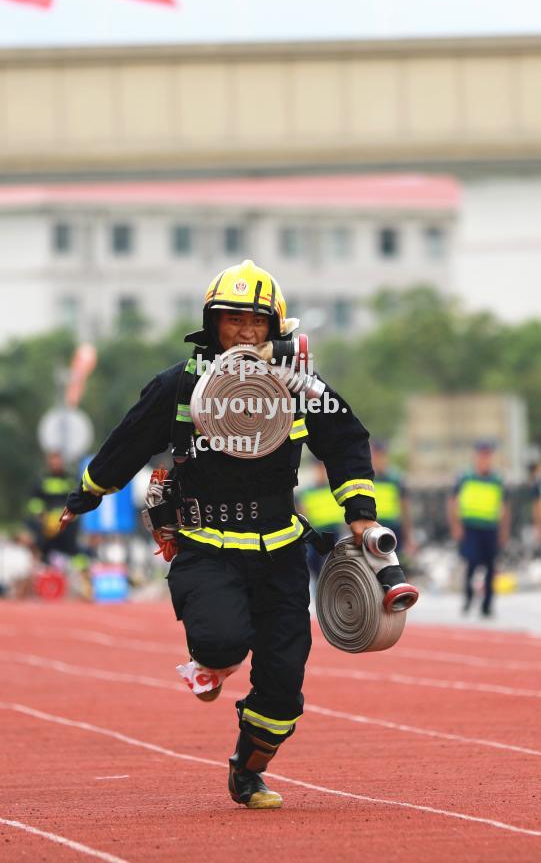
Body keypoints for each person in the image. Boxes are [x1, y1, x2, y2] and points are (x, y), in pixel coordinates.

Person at [61, 259, 378, 810]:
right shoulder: (180, 384)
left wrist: (362, 513)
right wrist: (88, 491)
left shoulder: (302, 386)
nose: (246, 333)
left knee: (283, 692)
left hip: (280, 553)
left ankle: (247, 771)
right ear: (211, 325)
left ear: (276, 328)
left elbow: (346, 441)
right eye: (233, 321)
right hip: (205, 546)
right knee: (220, 641)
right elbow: (128, 440)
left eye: (257, 322)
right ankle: (210, 661)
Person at [447, 440, 511, 617]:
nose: (485, 459)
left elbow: (505, 507)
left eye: (488, 455)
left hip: (490, 528)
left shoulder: (497, 479)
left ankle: (487, 605)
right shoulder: (465, 477)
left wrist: (504, 531)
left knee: (491, 567)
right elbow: (452, 502)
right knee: (471, 564)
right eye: (482, 455)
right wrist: (456, 525)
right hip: (470, 528)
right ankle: (468, 599)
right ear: (476, 457)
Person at [25, 450, 79, 562]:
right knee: (42, 545)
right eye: (53, 460)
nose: (55, 463)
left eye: (58, 460)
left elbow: (77, 498)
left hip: (65, 521)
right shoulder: (41, 479)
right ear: (48, 462)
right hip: (46, 523)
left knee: (71, 547)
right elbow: (34, 501)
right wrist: (41, 515)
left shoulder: (70, 478)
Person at [297, 460, 346, 580]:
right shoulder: (307, 492)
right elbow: (301, 513)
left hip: (336, 533)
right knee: (316, 568)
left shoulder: (335, 488)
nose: (321, 472)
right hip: (316, 535)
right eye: (318, 469)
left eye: (323, 468)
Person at [371, 438, 414, 554]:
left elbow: (405, 509)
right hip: (371, 530)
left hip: (393, 529)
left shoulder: (396, 479)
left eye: (381, 456)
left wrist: (408, 538)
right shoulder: (365, 478)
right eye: (375, 456)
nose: (378, 460)